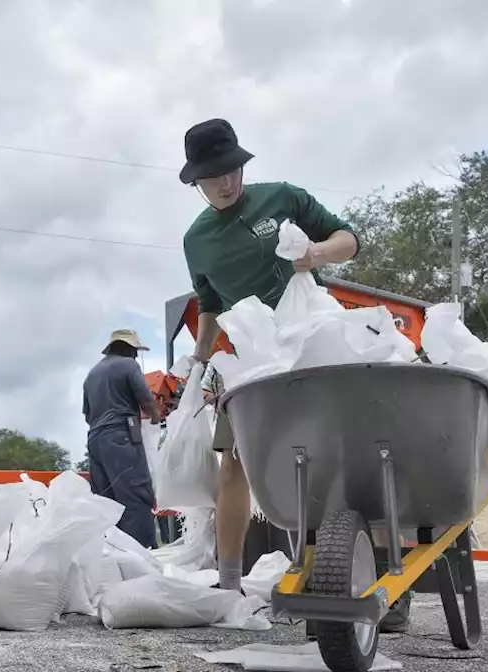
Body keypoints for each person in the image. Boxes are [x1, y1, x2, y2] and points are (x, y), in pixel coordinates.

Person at [178, 118, 411, 632]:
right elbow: (211, 306)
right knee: (234, 461)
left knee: (351, 457)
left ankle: (381, 584)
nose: (228, 181)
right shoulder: (196, 241)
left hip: (311, 340)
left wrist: (316, 254)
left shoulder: (281, 197)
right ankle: (230, 582)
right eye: (215, 175)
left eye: (234, 169)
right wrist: (199, 360)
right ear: (196, 180)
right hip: (249, 358)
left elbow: (349, 239)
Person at [82, 329, 165, 548]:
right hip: (122, 438)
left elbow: (88, 415)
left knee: (107, 502)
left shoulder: (91, 374)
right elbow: (146, 400)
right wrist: (157, 418)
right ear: (129, 349)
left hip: (96, 441)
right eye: (135, 352)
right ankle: (144, 559)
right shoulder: (128, 366)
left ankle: (112, 558)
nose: (137, 356)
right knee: (136, 497)